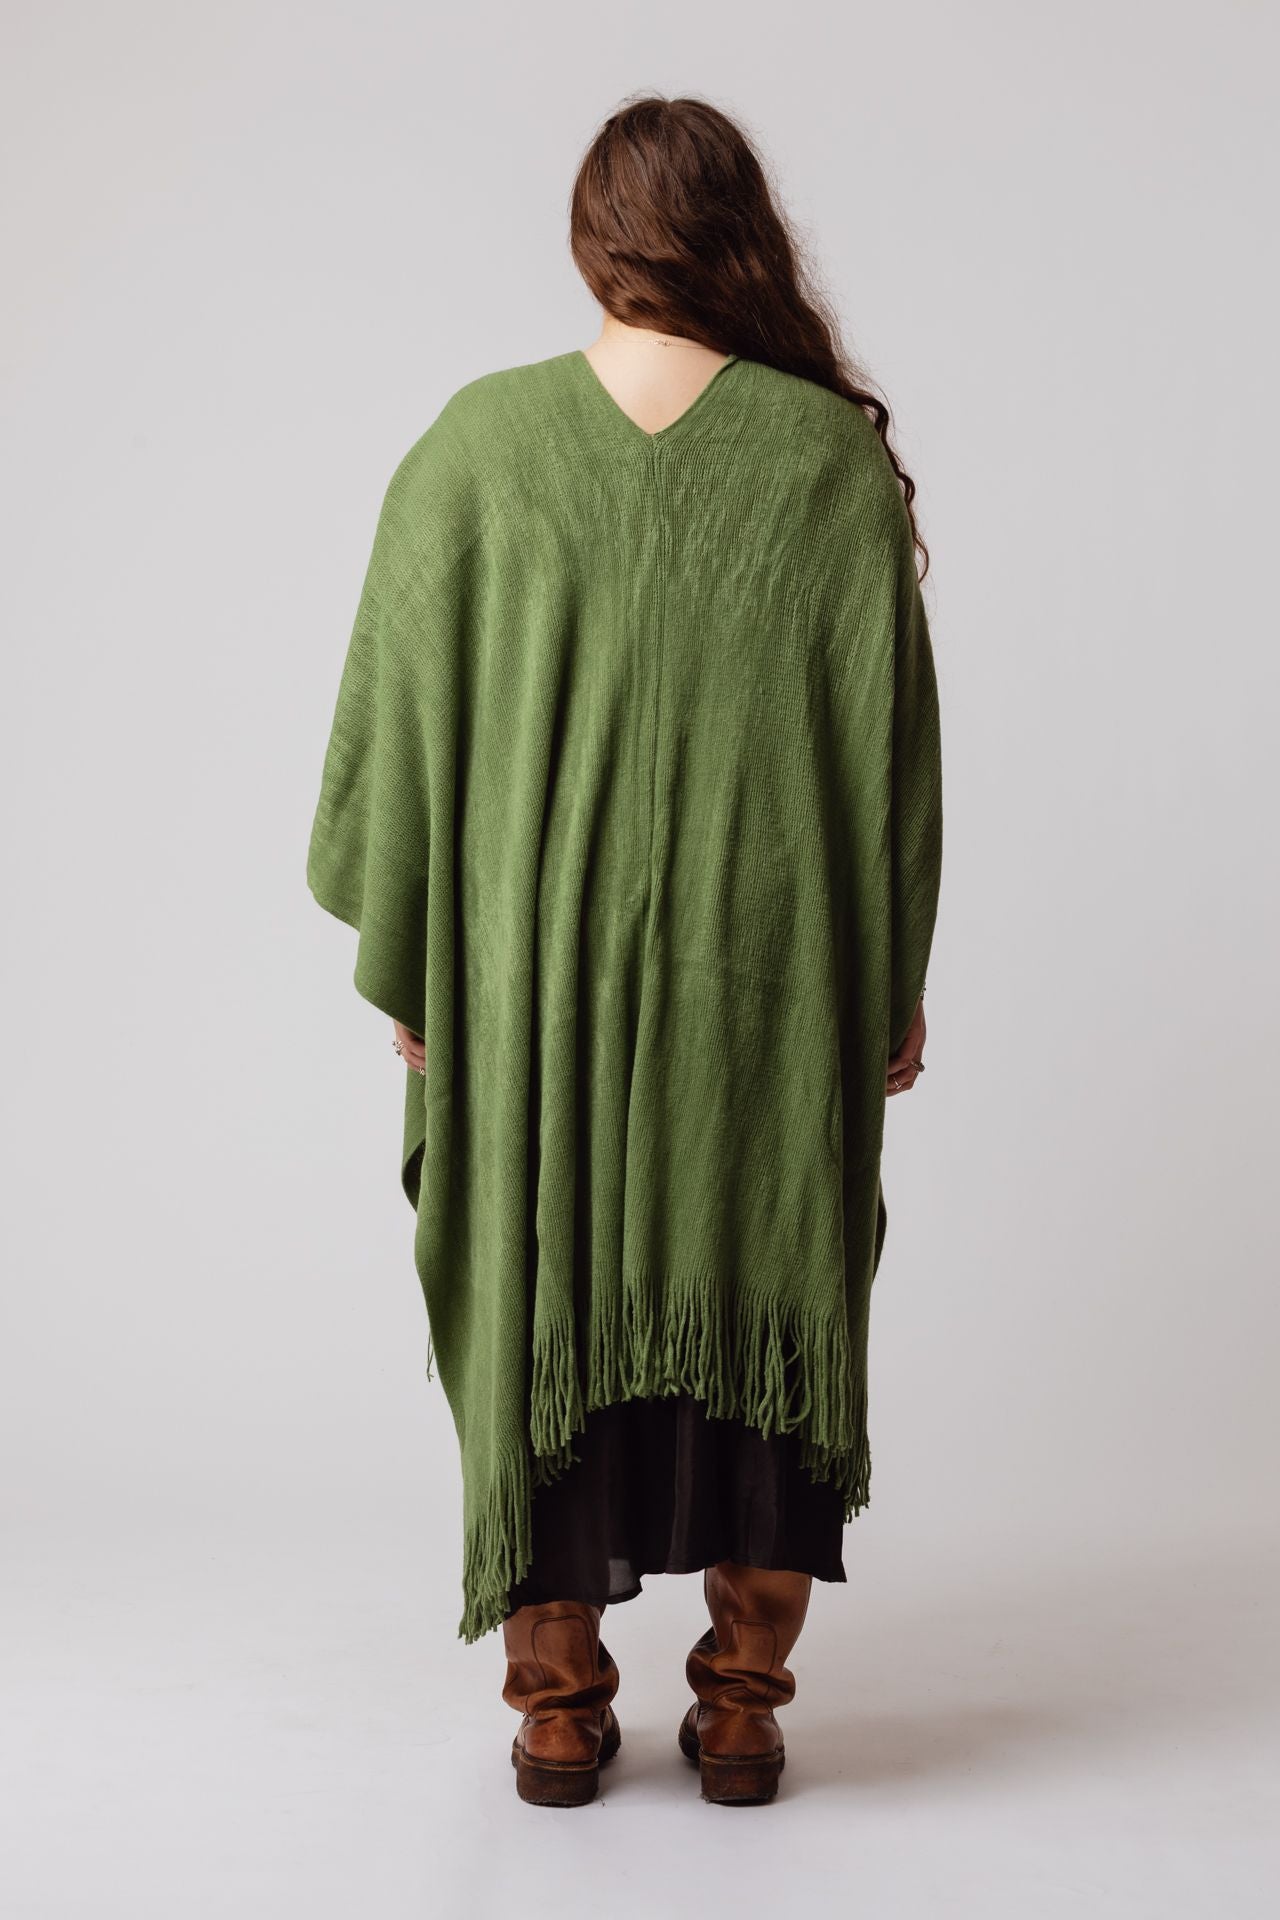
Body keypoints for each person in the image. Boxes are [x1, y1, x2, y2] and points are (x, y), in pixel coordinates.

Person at [306, 92, 942, 1810]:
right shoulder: (826, 461)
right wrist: (886, 979)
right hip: (768, 988)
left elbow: (394, 730)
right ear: (742, 239)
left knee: (544, 1281)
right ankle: (741, 1706)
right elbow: (891, 765)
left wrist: (431, 963)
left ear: (593, 242)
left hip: (536, 995)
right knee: (767, 1276)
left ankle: (556, 1710)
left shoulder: (476, 448)